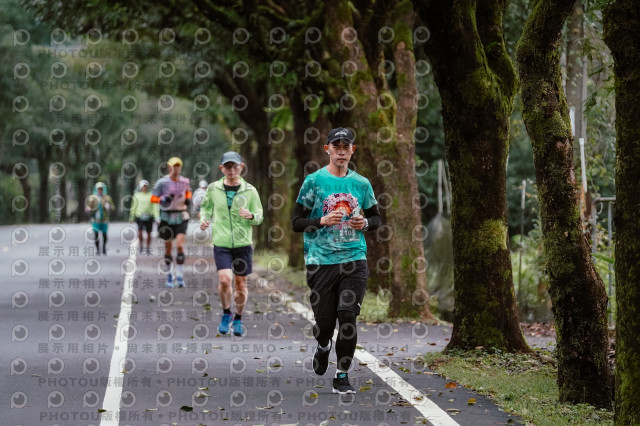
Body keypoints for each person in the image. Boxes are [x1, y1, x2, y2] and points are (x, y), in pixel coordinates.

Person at [292, 127, 382, 394]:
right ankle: (322, 346)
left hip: (354, 258)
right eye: (336, 147)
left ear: (353, 150)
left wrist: (364, 222)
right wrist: (321, 220)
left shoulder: (362, 184)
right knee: (325, 324)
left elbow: (376, 218)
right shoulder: (314, 181)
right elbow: (296, 222)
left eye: (346, 147)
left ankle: (342, 374)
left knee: (347, 315)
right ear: (327, 149)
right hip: (320, 260)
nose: (341, 152)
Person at [199, 151, 263, 337]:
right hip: (222, 242)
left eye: (235, 166)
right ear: (222, 168)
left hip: (243, 243)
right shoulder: (213, 188)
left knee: (241, 284)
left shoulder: (250, 191)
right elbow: (205, 208)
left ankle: (239, 318)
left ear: (241, 167)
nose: (232, 170)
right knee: (225, 280)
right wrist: (204, 220)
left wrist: (251, 216)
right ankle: (226, 313)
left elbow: (259, 215)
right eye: (228, 167)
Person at [151, 157, 192, 288]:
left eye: (179, 166)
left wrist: (187, 199)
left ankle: (179, 276)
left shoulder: (185, 181)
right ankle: (170, 274)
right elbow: (153, 198)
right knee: (168, 247)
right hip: (166, 217)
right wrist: (162, 199)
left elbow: (188, 193)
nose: (177, 168)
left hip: (181, 215)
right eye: (174, 166)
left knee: (180, 246)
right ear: (169, 167)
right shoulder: (162, 182)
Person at [129, 179, 158, 255]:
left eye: (146, 186)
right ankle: (141, 245)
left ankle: (148, 247)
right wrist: (131, 217)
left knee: (149, 233)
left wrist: (157, 217)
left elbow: (155, 206)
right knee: (140, 232)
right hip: (139, 217)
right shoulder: (136, 195)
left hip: (149, 217)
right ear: (141, 187)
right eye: (143, 186)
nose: (145, 188)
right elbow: (133, 206)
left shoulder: (152, 195)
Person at [86, 182, 115, 256]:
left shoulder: (107, 198)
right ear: (96, 189)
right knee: (96, 235)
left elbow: (113, 207)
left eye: (101, 189)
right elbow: (87, 207)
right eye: (98, 189)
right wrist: (88, 208)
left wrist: (108, 206)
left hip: (104, 219)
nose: (100, 190)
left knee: (104, 234)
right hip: (95, 220)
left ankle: (104, 247)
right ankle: (98, 249)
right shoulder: (92, 198)